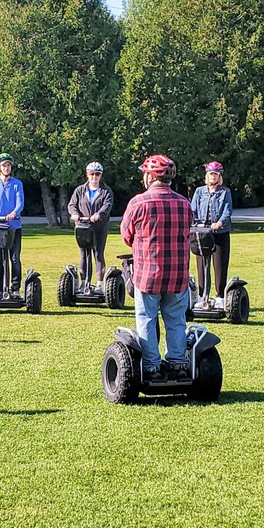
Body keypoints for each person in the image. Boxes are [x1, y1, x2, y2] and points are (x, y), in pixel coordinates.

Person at [120, 154, 193, 379]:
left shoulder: (138, 202)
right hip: (177, 275)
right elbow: (189, 231)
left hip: (147, 275)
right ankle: (179, 364)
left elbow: (126, 235)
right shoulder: (184, 203)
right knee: (176, 320)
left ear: (150, 176)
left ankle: (151, 367)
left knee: (147, 319)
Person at [189, 161, 233, 309]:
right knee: (202, 263)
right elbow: (193, 209)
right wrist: (193, 222)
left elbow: (227, 211)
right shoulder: (200, 191)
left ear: (219, 176)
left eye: (215, 174)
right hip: (202, 233)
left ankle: (220, 295)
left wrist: (219, 223)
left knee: (219, 264)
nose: (213, 177)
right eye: (210, 174)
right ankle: (202, 295)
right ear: (207, 176)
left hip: (220, 232)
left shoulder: (225, 192)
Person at [67, 161, 115, 291]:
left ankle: (99, 284)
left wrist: (98, 215)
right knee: (84, 254)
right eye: (92, 174)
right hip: (82, 227)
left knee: (98, 254)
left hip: (99, 227)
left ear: (100, 175)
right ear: (87, 175)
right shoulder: (80, 190)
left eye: (97, 174)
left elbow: (107, 206)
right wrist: (74, 214)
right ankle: (84, 284)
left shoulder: (106, 191)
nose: (94, 177)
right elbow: (72, 205)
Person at [0, 152, 25, 298]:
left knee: (14, 258)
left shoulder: (17, 184)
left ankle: (15, 289)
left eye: (8, 165)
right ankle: (0, 289)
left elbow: (20, 203)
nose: (6, 168)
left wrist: (14, 213)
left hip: (14, 226)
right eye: (4, 165)